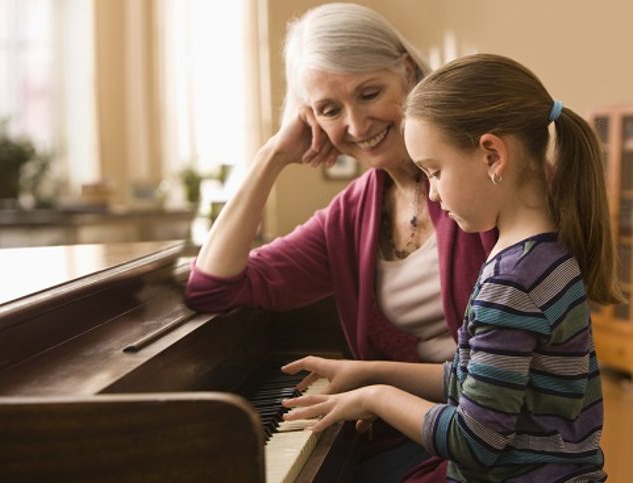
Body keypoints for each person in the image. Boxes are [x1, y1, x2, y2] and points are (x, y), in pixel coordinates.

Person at [185, 3, 494, 481]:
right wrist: (272, 155)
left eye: (369, 93)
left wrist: (372, 386)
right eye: (330, 110)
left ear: (407, 72)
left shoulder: (479, 173)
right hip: (412, 435)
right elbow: (213, 286)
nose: (355, 126)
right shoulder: (350, 215)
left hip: (494, 436)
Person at [281, 52, 623, 482]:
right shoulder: (543, 255)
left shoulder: (511, 282)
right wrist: (368, 371)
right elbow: (476, 378)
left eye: (435, 172)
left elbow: (475, 441)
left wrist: (377, 398)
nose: (434, 196)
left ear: (492, 156)